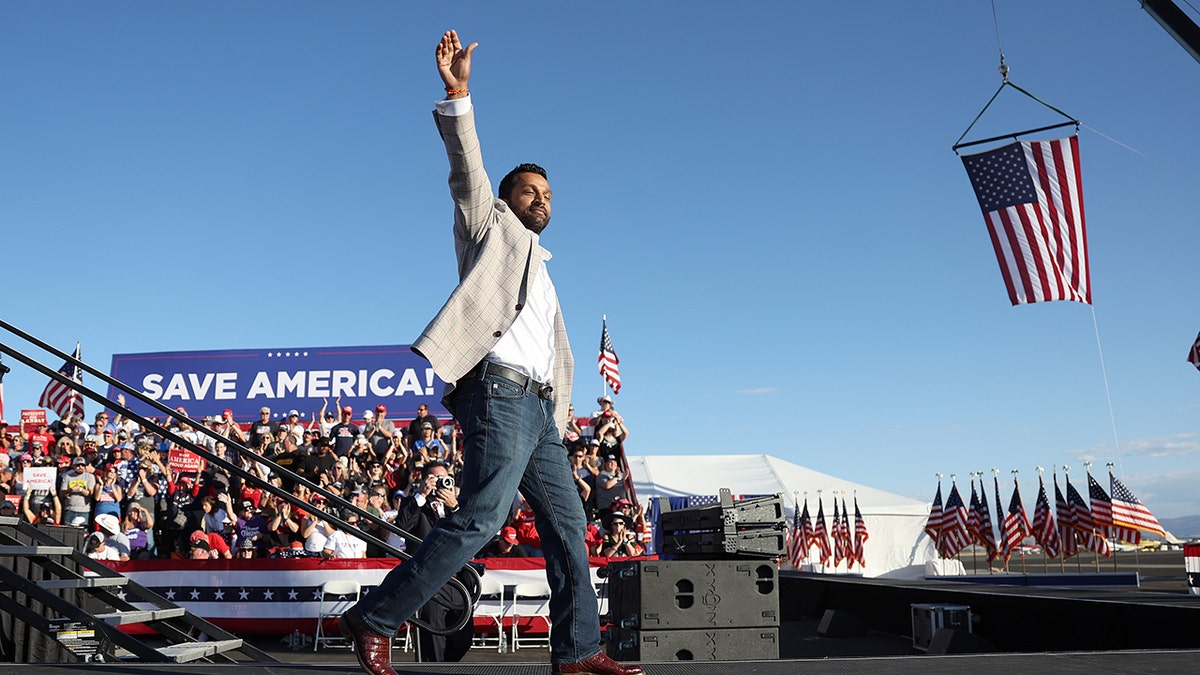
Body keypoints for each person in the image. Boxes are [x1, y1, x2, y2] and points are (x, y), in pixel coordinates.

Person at [338, 30, 642, 675]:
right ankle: (377, 617)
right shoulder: (490, 228)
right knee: (481, 517)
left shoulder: (546, 270)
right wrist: (459, 97)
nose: (543, 200)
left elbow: (552, 357)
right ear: (507, 200)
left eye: (549, 194)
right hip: (497, 393)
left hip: (540, 412)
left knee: (569, 528)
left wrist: (562, 418)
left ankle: (579, 651)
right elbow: (467, 173)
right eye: (531, 191)